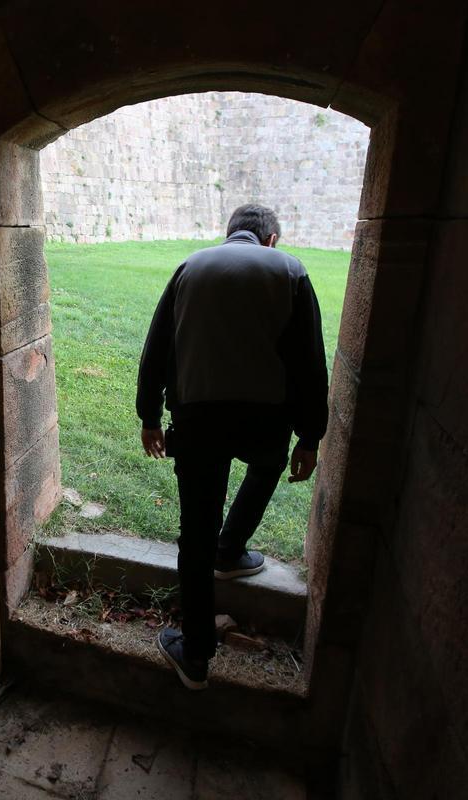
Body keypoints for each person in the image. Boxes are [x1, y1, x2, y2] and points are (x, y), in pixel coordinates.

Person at [136, 203, 329, 690]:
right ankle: (232, 548)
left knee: (194, 532)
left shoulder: (190, 267)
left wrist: (150, 416)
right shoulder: (291, 271)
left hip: (198, 418)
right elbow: (309, 361)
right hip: (266, 420)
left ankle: (195, 652)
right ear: (270, 240)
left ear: (229, 236)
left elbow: (157, 347)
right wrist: (310, 435)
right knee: (267, 466)